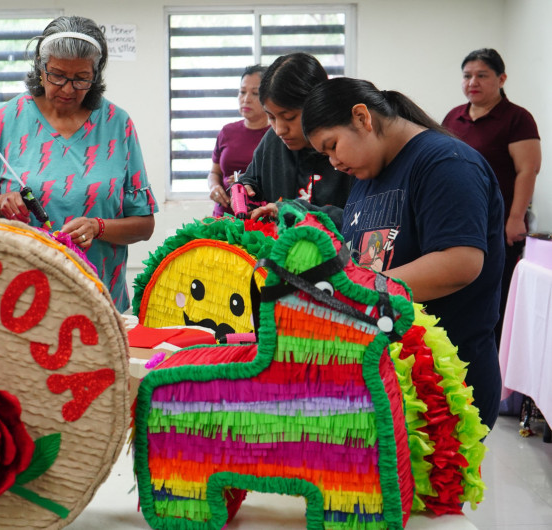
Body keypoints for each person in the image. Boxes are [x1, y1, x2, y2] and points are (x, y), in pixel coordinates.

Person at [301, 77, 505, 430]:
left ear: (362, 117)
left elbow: (461, 262)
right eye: (325, 154)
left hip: (443, 387)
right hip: (389, 379)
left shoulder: (446, 163)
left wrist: (354, 287)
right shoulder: (368, 175)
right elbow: (365, 258)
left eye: (332, 145)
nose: (333, 162)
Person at [0, 15, 158, 312]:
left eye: (81, 78)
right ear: (40, 67)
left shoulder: (117, 124)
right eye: (57, 75)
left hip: (98, 302)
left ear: (96, 75)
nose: (68, 89)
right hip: (16, 301)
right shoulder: (3, 121)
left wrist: (97, 227)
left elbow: (144, 225)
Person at [442, 48, 541, 345]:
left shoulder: (517, 119)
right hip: (460, 220)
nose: (473, 82)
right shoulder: (453, 117)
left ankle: (497, 362)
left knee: (496, 295)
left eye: (482, 75)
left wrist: (515, 218)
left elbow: (528, 170)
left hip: (499, 224)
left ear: (501, 79)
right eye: (467, 76)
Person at [232, 53, 354, 224]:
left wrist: (294, 210)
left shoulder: (348, 149)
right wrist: (244, 188)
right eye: (272, 118)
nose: (280, 130)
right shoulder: (272, 141)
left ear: (317, 105)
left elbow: (362, 220)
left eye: (289, 117)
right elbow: (252, 179)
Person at [207, 65, 270, 216]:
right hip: (223, 217)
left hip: (260, 220)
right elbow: (214, 172)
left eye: (255, 93)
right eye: (242, 92)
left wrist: (251, 180)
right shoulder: (227, 132)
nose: (246, 99)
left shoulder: (276, 136)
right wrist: (214, 187)